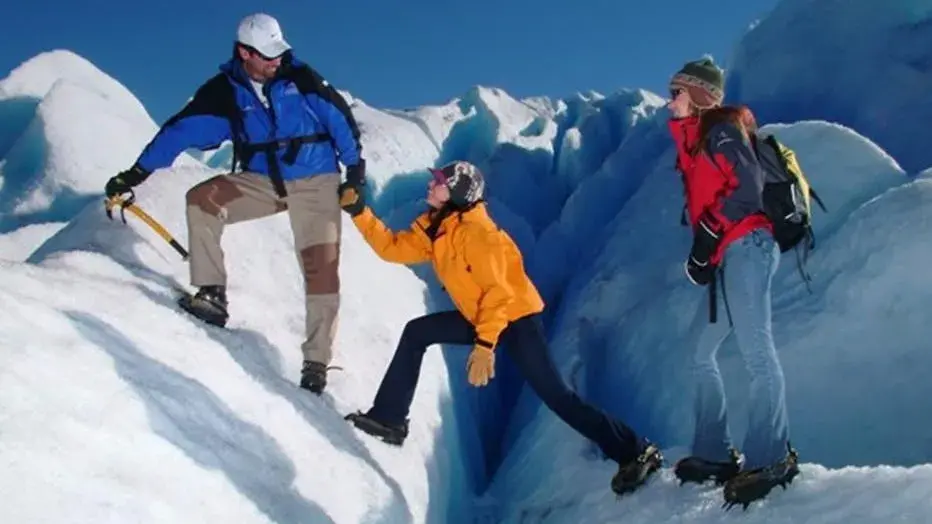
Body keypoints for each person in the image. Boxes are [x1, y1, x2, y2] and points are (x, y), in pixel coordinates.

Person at [336, 160, 662, 496]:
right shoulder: (438, 228)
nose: (431, 186)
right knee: (417, 332)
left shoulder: (478, 234)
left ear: (459, 193)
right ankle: (388, 419)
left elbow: (499, 293)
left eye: (439, 183)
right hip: (483, 317)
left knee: (558, 397)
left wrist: (484, 345)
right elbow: (393, 248)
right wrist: (360, 211)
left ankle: (636, 450)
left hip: (515, 319)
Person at [104, 13, 365, 395]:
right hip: (264, 181)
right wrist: (136, 173)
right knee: (203, 200)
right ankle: (212, 294)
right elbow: (180, 130)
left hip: (316, 182)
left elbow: (340, 119)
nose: (276, 60)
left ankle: (316, 363)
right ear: (244, 52)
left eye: (279, 52)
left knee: (321, 269)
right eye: (266, 54)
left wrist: (355, 173)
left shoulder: (301, 78)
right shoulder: (225, 91)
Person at [665, 57, 799, 508]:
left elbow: (747, 186)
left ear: (701, 94)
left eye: (677, 92)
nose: (670, 101)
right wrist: (705, 247)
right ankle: (715, 454)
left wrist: (709, 233)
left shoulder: (721, 129)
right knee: (699, 352)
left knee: (757, 350)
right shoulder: (695, 140)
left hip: (749, 246)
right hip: (729, 253)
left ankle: (772, 457)